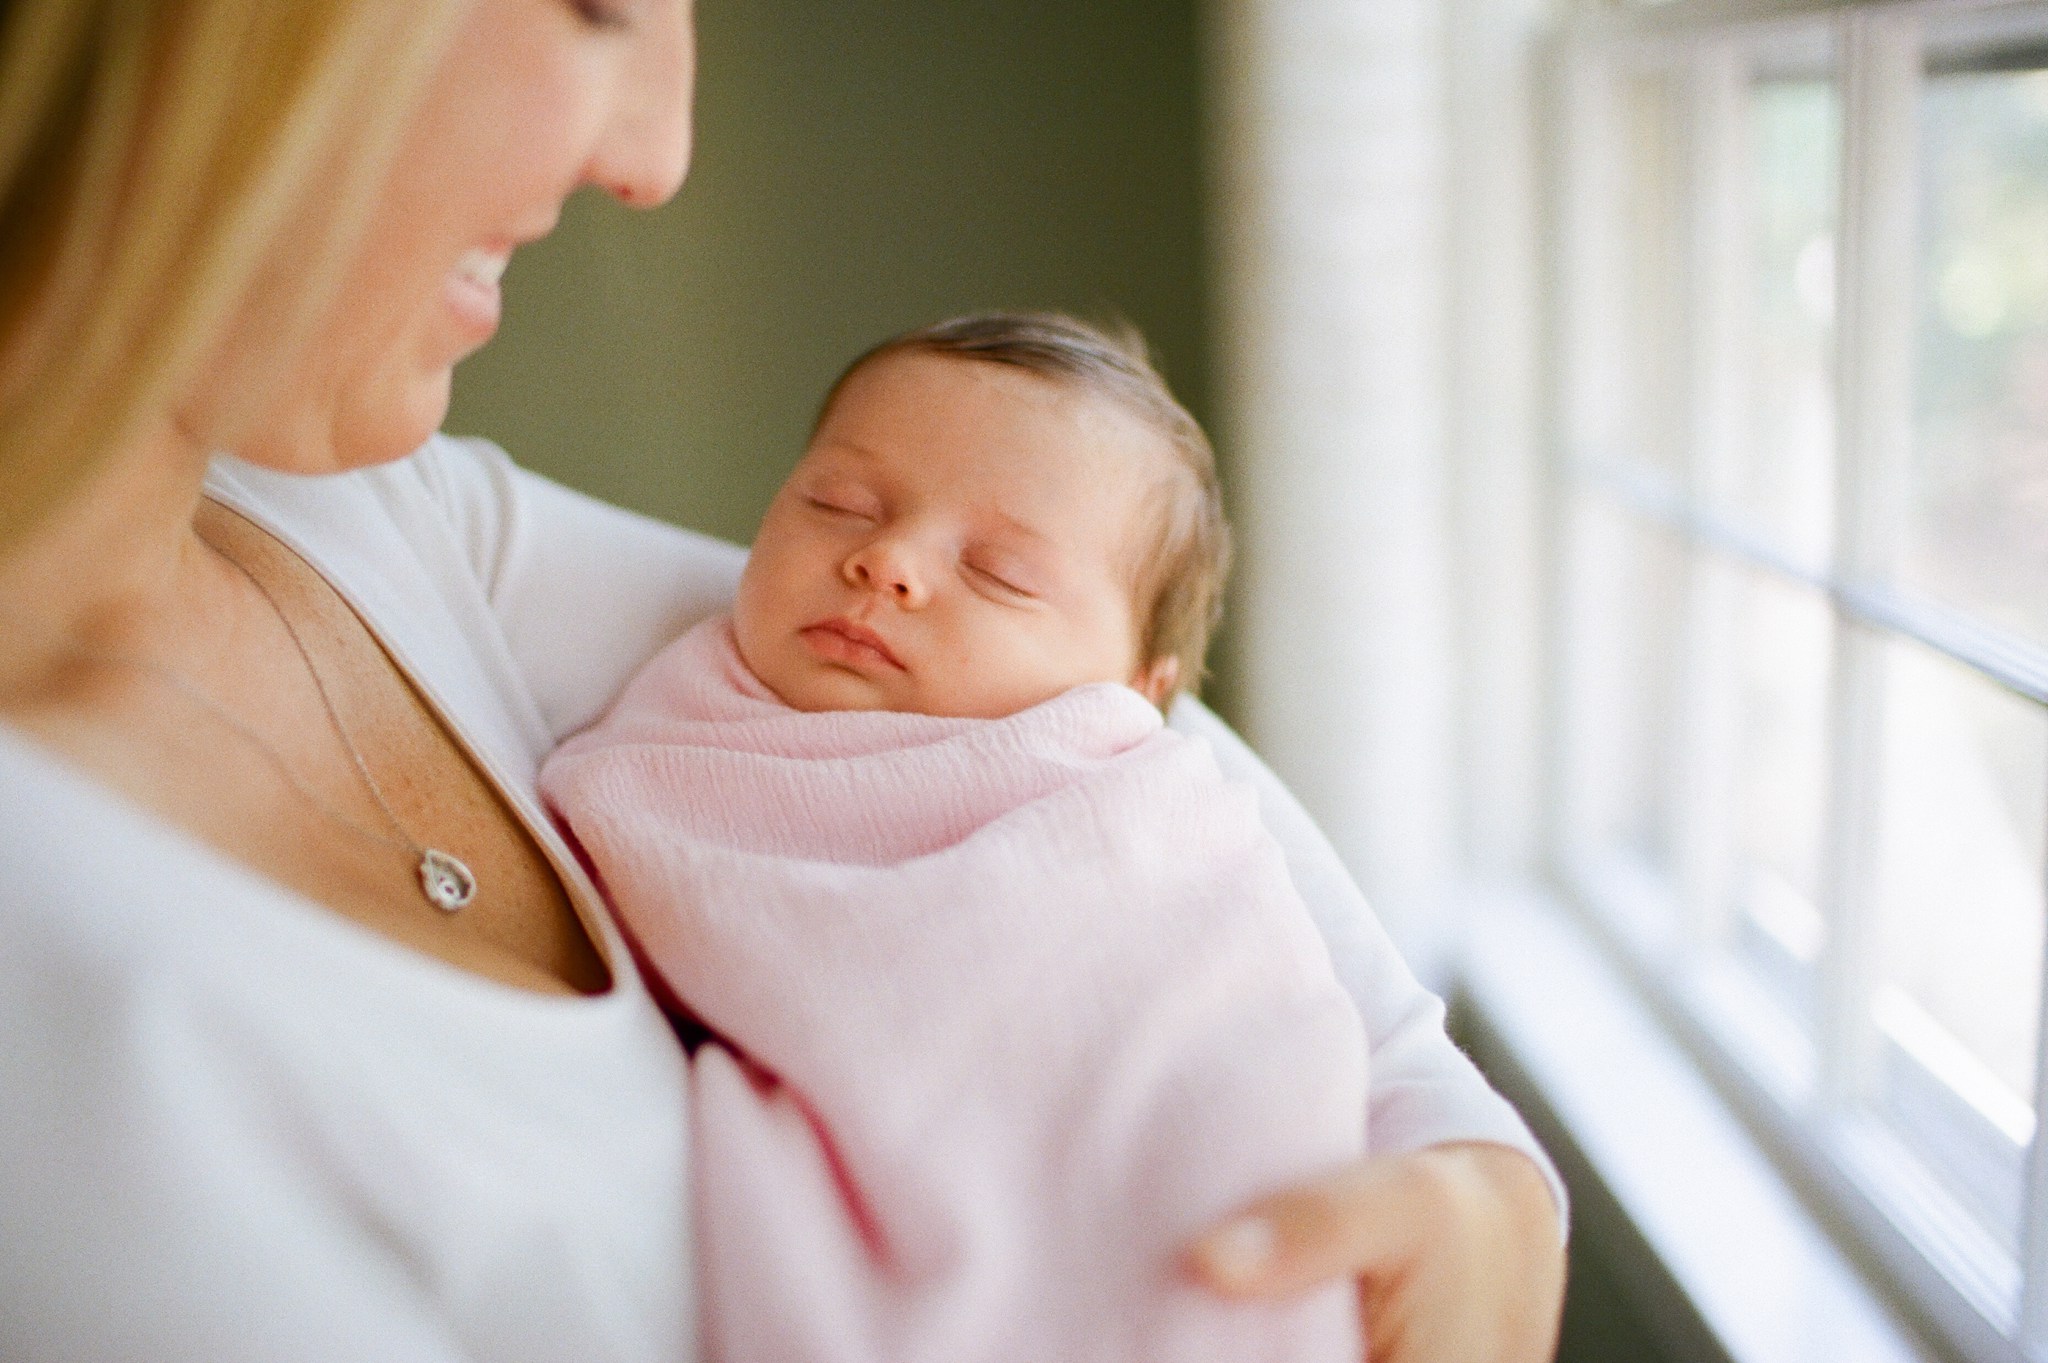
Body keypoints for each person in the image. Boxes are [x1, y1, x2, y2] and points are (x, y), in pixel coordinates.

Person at [0, 3, 1566, 1362]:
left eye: (995, 564)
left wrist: (1468, 1152)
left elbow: (1121, 741)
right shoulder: (70, 1036)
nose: (659, 153)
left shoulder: (379, 521)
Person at [542, 311, 1376, 1359]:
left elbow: (1255, 1029)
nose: (885, 558)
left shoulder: (1139, 810)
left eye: (1002, 574)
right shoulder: (682, 725)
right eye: (836, 504)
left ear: (1134, 691)